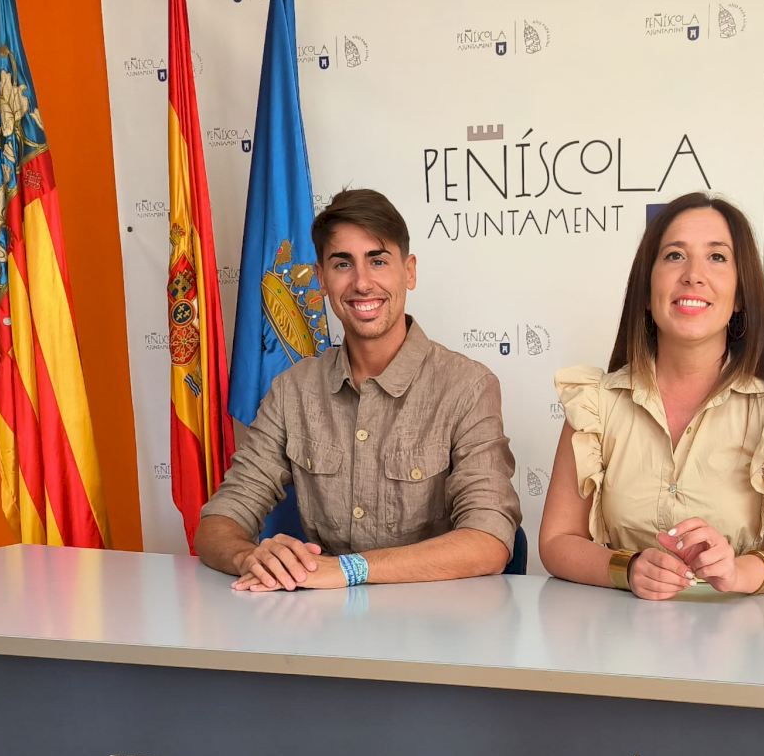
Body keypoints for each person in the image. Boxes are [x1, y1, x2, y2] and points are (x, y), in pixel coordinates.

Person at [196, 188, 521, 591]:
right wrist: (249, 557)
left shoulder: (467, 387)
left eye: (378, 260)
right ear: (321, 279)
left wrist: (349, 570)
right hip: (324, 617)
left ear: (409, 272)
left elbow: (488, 541)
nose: (362, 283)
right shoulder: (292, 391)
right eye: (342, 264)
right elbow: (220, 520)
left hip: (436, 617)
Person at [538, 192, 764, 601]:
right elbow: (557, 541)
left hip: (749, 633)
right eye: (675, 256)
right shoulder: (594, 404)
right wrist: (628, 569)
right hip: (621, 632)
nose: (694, 275)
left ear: (741, 295)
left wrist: (738, 571)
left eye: (717, 257)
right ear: (647, 292)